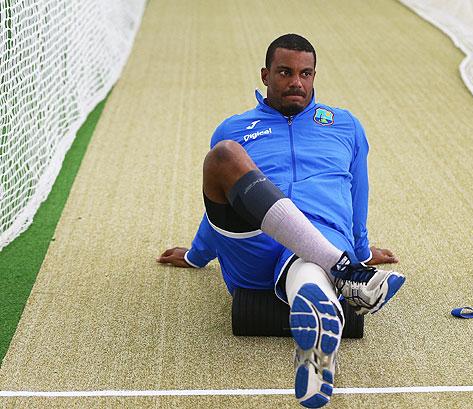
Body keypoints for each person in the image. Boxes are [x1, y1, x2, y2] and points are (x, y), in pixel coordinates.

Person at [157, 33, 406, 408]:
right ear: (265, 75)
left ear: (314, 75)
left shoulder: (345, 125)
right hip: (252, 244)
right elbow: (219, 200)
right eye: (285, 72)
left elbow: (359, 193)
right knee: (224, 156)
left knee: (310, 256)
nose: (296, 82)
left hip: (323, 234)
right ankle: (343, 273)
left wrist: (362, 249)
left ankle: (319, 340)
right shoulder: (234, 128)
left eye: (306, 74)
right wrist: (197, 253)